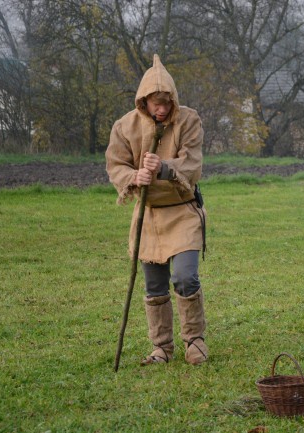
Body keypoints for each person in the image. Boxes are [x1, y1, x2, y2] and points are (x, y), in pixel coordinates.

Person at [106, 54, 208, 366]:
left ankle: (195, 340)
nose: (161, 108)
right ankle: (162, 347)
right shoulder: (125, 126)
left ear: (173, 100)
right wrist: (134, 176)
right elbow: (116, 165)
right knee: (154, 285)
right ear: (144, 101)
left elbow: (192, 164)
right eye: (155, 103)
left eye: (165, 102)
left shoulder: (189, 121)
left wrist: (164, 167)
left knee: (185, 277)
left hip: (183, 211)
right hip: (148, 215)